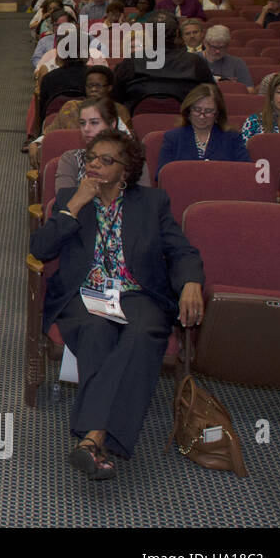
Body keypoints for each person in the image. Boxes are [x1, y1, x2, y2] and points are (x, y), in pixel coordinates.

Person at [30, 129, 204, 479]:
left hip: (136, 293)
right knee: (95, 331)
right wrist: (75, 204)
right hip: (86, 294)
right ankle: (100, 440)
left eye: (105, 160)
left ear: (125, 171)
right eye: (91, 157)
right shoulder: (70, 197)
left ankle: (91, 437)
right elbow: (41, 249)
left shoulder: (151, 203)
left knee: (142, 333)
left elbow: (181, 250)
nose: (94, 163)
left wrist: (191, 281)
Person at [113, 13, 214, 110]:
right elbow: (213, 95)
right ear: (178, 34)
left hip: (139, 123)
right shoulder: (195, 61)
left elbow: (116, 98)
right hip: (185, 121)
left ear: (148, 34)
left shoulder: (132, 61)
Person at [53, 98, 149, 191]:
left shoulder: (133, 160)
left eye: (94, 122)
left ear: (112, 124)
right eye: (82, 123)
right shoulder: (71, 159)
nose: (86, 129)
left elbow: (146, 203)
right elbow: (63, 203)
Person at [157, 83, 250, 177]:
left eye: (208, 111)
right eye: (197, 109)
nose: (202, 116)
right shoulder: (172, 138)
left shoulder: (233, 138)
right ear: (188, 110)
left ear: (217, 113)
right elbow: (162, 176)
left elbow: (246, 173)